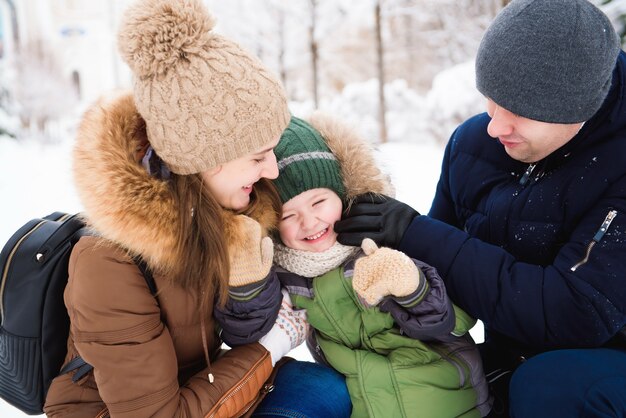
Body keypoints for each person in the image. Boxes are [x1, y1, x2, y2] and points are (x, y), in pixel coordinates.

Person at [43, 0, 350, 416]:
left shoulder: (227, 211)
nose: (272, 170)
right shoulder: (108, 262)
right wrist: (273, 343)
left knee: (329, 389)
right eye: (259, 155)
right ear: (206, 157)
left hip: (198, 387)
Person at [334, 0, 626, 417]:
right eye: (490, 99)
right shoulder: (473, 144)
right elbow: (436, 275)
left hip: (602, 362)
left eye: (519, 112)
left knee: (550, 386)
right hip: (516, 354)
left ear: (579, 108)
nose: (493, 126)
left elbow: (574, 313)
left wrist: (419, 233)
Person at [219, 115, 492, 417]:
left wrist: (413, 287)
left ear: (342, 192)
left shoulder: (381, 238)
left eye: (318, 202)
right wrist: (247, 283)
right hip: (369, 405)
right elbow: (246, 333)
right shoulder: (284, 273)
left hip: (450, 402)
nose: (309, 222)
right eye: (287, 215)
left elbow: (453, 322)